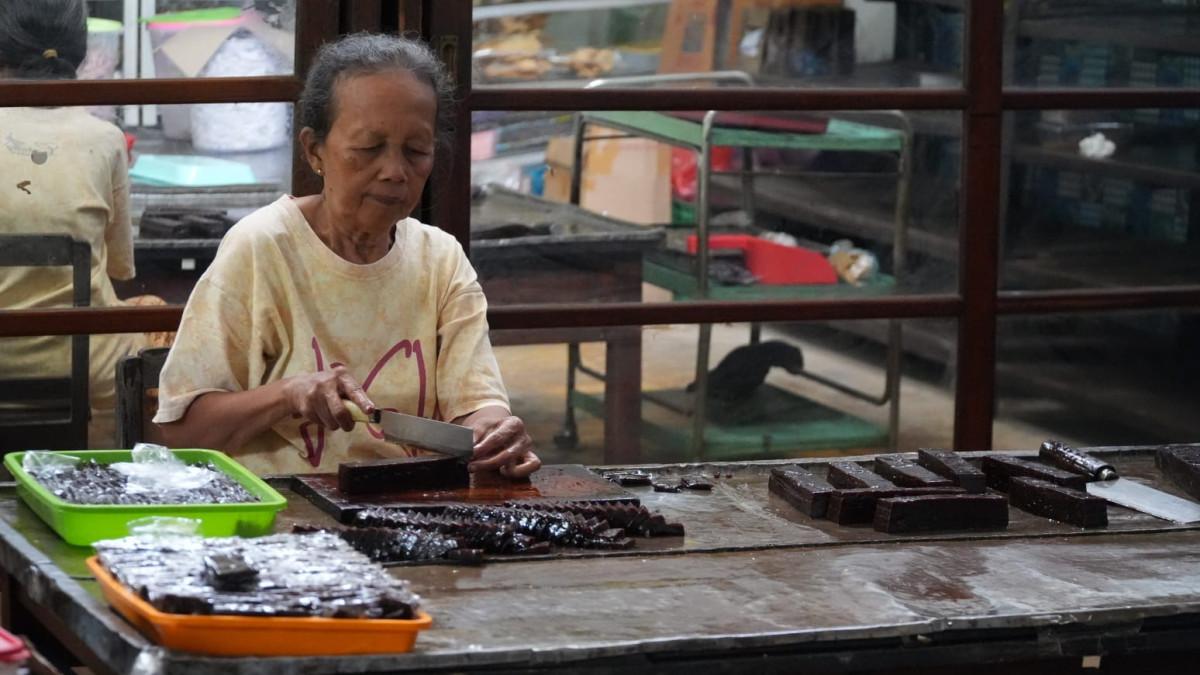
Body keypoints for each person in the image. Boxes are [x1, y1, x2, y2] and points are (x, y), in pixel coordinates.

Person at [155, 33, 541, 478]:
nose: (395, 172)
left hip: (412, 506)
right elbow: (180, 431)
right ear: (314, 150)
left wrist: (494, 432)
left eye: (416, 151)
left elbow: (477, 405)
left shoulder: (441, 260)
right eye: (368, 149)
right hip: (285, 509)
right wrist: (287, 394)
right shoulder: (263, 248)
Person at [0, 0, 170, 448]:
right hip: (84, 374)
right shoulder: (104, 139)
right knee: (157, 316)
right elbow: (120, 269)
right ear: (80, 52)